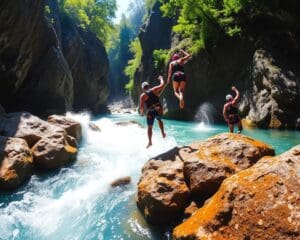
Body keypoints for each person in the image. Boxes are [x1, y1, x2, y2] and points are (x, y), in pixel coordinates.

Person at [139, 75, 166, 148]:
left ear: (143, 88)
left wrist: (142, 113)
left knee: (150, 127)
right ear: (149, 86)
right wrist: (161, 78)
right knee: (159, 120)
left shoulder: (142, 96)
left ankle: (150, 142)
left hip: (150, 112)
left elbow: (141, 107)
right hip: (158, 109)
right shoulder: (154, 89)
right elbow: (162, 85)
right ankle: (163, 133)